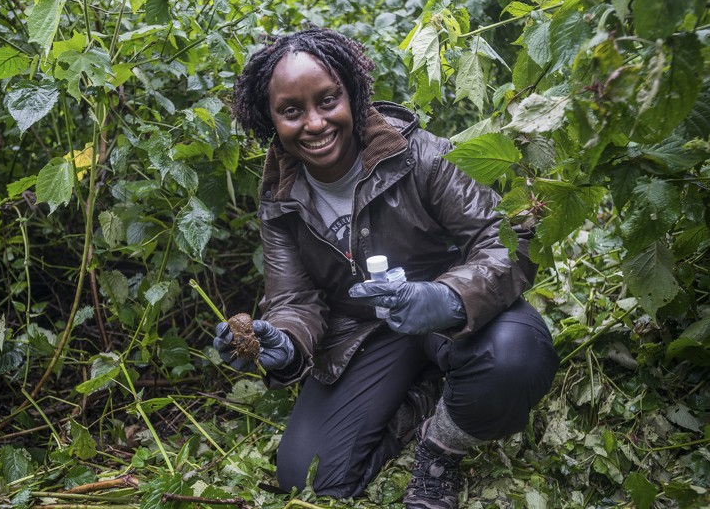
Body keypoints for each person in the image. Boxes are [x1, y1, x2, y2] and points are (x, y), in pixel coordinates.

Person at [213, 28, 560, 509]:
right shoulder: (279, 198)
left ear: (352, 96)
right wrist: (286, 345)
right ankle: (427, 396)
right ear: (270, 120)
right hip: (365, 336)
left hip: (455, 320)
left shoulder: (420, 156)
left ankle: (441, 448)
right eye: (292, 111)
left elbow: (509, 240)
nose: (314, 123)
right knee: (309, 480)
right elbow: (295, 300)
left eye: (327, 100)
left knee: (515, 359)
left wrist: (448, 298)